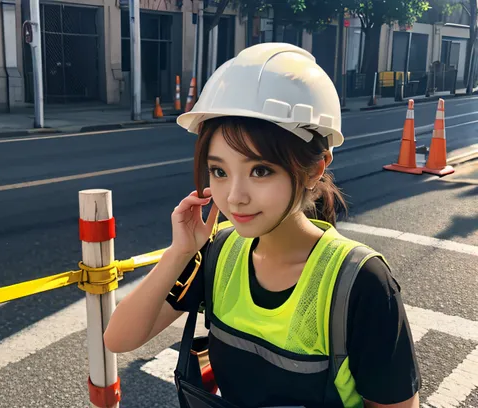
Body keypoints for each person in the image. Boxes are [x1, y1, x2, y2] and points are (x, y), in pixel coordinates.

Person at [103, 43, 421, 408]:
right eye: (219, 171)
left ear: (314, 169)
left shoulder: (361, 282)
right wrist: (180, 252)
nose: (234, 196)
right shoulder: (220, 253)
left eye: (261, 170)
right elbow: (119, 338)